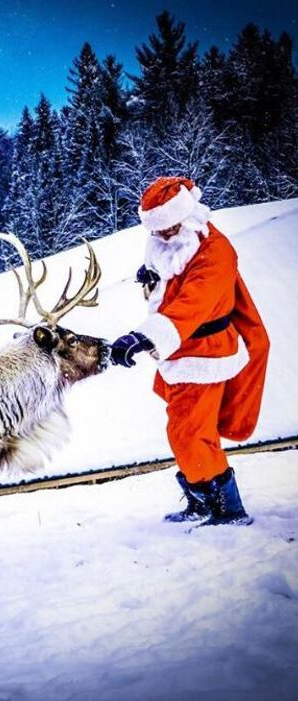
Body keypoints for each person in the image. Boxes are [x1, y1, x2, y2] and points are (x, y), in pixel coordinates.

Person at [109, 176, 270, 527]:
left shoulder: (215, 252)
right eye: (158, 231)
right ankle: (202, 500)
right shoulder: (180, 241)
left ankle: (227, 508)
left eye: (169, 227)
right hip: (181, 353)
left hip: (205, 356)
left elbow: (192, 304)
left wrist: (142, 337)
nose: (164, 237)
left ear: (187, 214)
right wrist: (153, 278)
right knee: (193, 431)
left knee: (188, 434)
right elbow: (173, 274)